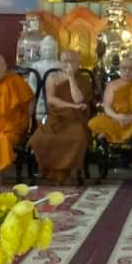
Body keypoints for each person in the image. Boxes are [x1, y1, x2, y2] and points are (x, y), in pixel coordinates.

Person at [30, 50, 93, 184]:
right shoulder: (52, 78)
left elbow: (78, 100)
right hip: (56, 116)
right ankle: (49, 172)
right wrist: (71, 106)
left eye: (72, 61)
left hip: (76, 118)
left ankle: (67, 173)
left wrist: (70, 78)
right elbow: (51, 100)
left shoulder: (83, 79)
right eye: (65, 61)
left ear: (79, 63)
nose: (68, 64)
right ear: (60, 62)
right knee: (40, 138)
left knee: (76, 138)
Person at [88, 54, 132, 147]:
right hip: (114, 118)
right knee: (93, 123)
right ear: (120, 69)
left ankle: (109, 134)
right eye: (124, 68)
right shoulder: (112, 85)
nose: (127, 71)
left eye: (131, 69)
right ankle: (115, 133)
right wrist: (117, 117)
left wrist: (130, 118)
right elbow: (107, 106)